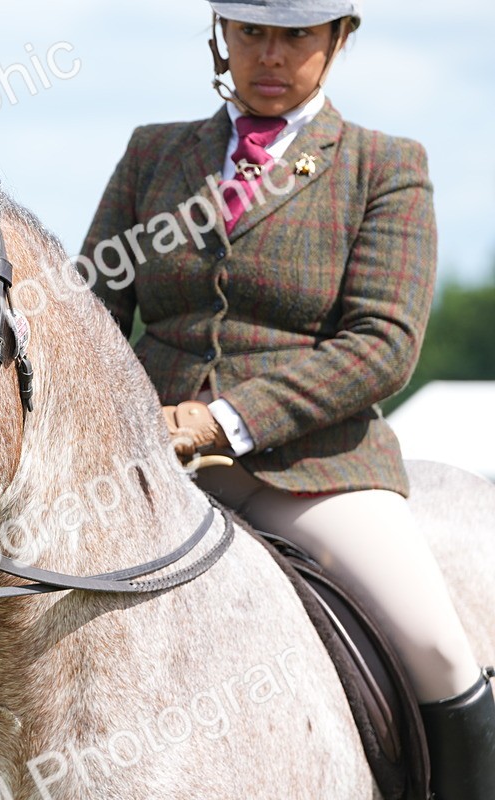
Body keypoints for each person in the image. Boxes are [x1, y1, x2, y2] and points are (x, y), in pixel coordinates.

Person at [80, 1, 494, 795]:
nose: (271, 55)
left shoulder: (384, 165)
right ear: (221, 36)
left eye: (297, 36)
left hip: (312, 470)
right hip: (151, 464)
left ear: (338, 38)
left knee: (439, 649)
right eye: (251, 34)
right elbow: (93, 307)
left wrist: (223, 421)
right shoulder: (154, 154)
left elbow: (382, 345)